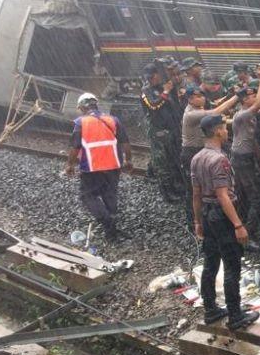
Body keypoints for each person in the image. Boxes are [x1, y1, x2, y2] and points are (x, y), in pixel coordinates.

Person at [191, 115, 260, 331]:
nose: (227, 131)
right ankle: (235, 314)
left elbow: (196, 194)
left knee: (211, 262)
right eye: (224, 128)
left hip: (208, 213)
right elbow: (223, 195)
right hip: (222, 214)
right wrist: (238, 225)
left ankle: (211, 309)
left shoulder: (197, 158)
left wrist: (198, 221)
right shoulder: (219, 160)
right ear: (218, 131)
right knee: (232, 265)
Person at [65, 93, 133, 240]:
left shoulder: (81, 123)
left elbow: (75, 147)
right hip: (113, 165)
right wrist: (128, 160)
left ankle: (107, 222)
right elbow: (125, 142)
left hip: (92, 166)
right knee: (109, 194)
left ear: (82, 107)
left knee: (87, 196)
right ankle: (111, 232)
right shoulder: (113, 120)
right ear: (96, 104)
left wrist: (70, 164)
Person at [181, 85, 239, 224]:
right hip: (192, 152)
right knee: (195, 190)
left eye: (203, 95)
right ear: (190, 99)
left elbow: (216, 105)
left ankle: (204, 216)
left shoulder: (198, 108)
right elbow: (216, 111)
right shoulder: (191, 114)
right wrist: (238, 96)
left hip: (202, 150)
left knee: (207, 186)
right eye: (199, 96)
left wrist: (230, 95)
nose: (203, 98)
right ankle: (194, 220)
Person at [230, 67, 260, 251]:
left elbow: (249, 135)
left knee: (244, 196)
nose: (255, 98)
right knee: (256, 198)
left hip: (246, 157)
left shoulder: (247, 115)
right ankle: (248, 236)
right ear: (245, 100)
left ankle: (240, 228)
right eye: (251, 96)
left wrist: (257, 151)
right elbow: (259, 103)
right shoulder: (243, 114)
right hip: (241, 159)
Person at [140, 64, 184, 202]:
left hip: (172, 129)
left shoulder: (164, 87)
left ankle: (177, 187)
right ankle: (167, 193)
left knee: (173, 159)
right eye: (157, 75)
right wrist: (165, 92)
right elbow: (153, 106)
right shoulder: (146, 91)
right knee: (162, 163)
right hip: (158, 131)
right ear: (152, 77)